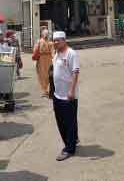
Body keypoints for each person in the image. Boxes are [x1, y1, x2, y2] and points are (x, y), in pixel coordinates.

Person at [51, 31, 80, 161]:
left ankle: (69, 148)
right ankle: (73, 139)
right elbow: (54, 72)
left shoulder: (71, 53)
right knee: (61, 121)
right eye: (54, 40)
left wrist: (72, 91)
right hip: (57, 94)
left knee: (68, 122)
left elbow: (75, 72)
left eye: (58, 40)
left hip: (68, 96)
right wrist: (50, 89)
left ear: (64, 40)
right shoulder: (56, 53)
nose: (55, 42)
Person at [33, 28, 54, 95]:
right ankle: (44, 89)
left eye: (47, 34)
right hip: (41, 60)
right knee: (41, 74)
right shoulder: (39, 41)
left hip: (48, 60)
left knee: (48, 74)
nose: (46, 35)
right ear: (42, 34)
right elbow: (35, 50)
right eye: (45, 34)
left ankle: (45, 89)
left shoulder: (50, 43)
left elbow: (53, 52)